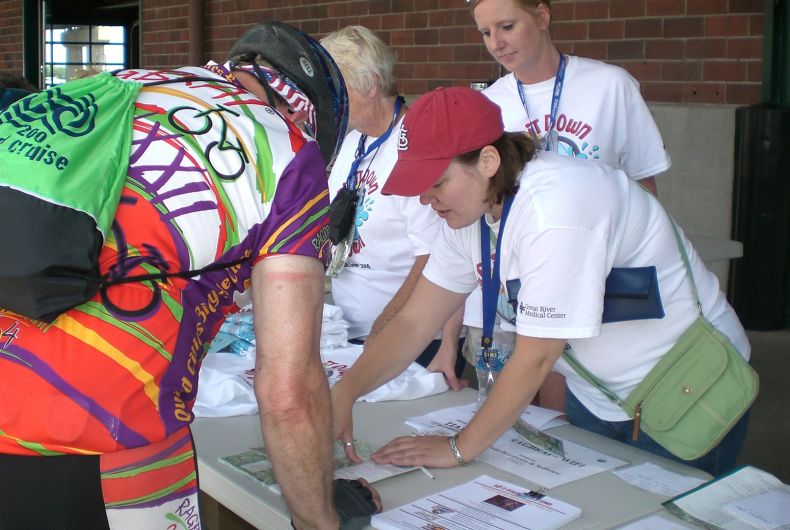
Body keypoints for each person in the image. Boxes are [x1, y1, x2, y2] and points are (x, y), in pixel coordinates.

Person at [0, 21, 379, 530]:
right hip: (105, 435)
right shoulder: (289, 152)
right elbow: (290, 393)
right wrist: (320, 521)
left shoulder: (129, 84)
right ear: (312, 117)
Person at [331, 86, 752, 478]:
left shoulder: (554, 208)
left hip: (686, 385)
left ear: (488, 162)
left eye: (436, 182)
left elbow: (535, 357)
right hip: (599, 395)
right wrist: (345, 391)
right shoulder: (471, 211)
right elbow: (413, 322)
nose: (426, 199)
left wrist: (458, 449)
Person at [462, 0, 673, 410]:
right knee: (524, 411)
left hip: (600, 273)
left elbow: (644, 183)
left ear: (542, 16)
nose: (497, 44)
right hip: (522, 276)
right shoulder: (489, 103)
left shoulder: (610, 85)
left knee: (580, 404)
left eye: (507, 26)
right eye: (486, 34)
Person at [320, 25, 466, 388]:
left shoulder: (415, 146)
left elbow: (436, 254)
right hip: (349, 336)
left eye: (337, 88)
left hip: (412, 342)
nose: (328, 100)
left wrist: (383, 331)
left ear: (369, 85)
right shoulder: (352, 141)